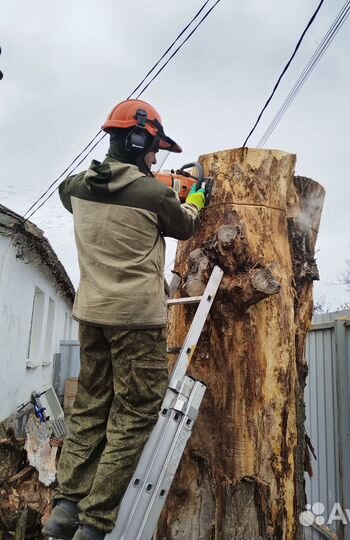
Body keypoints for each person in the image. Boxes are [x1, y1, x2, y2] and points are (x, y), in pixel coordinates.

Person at [42, 99, 205, 540]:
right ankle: (95, 522)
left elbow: (109, 190)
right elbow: (185, 224)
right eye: (153, 150)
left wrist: (150, 183)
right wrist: (191, 195)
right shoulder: (155, 196)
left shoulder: (76, 188)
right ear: (137, 141)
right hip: (137, 320)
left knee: (93, 404)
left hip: (92, 315)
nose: (156, 159)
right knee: (135, 411)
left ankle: (65, 506)